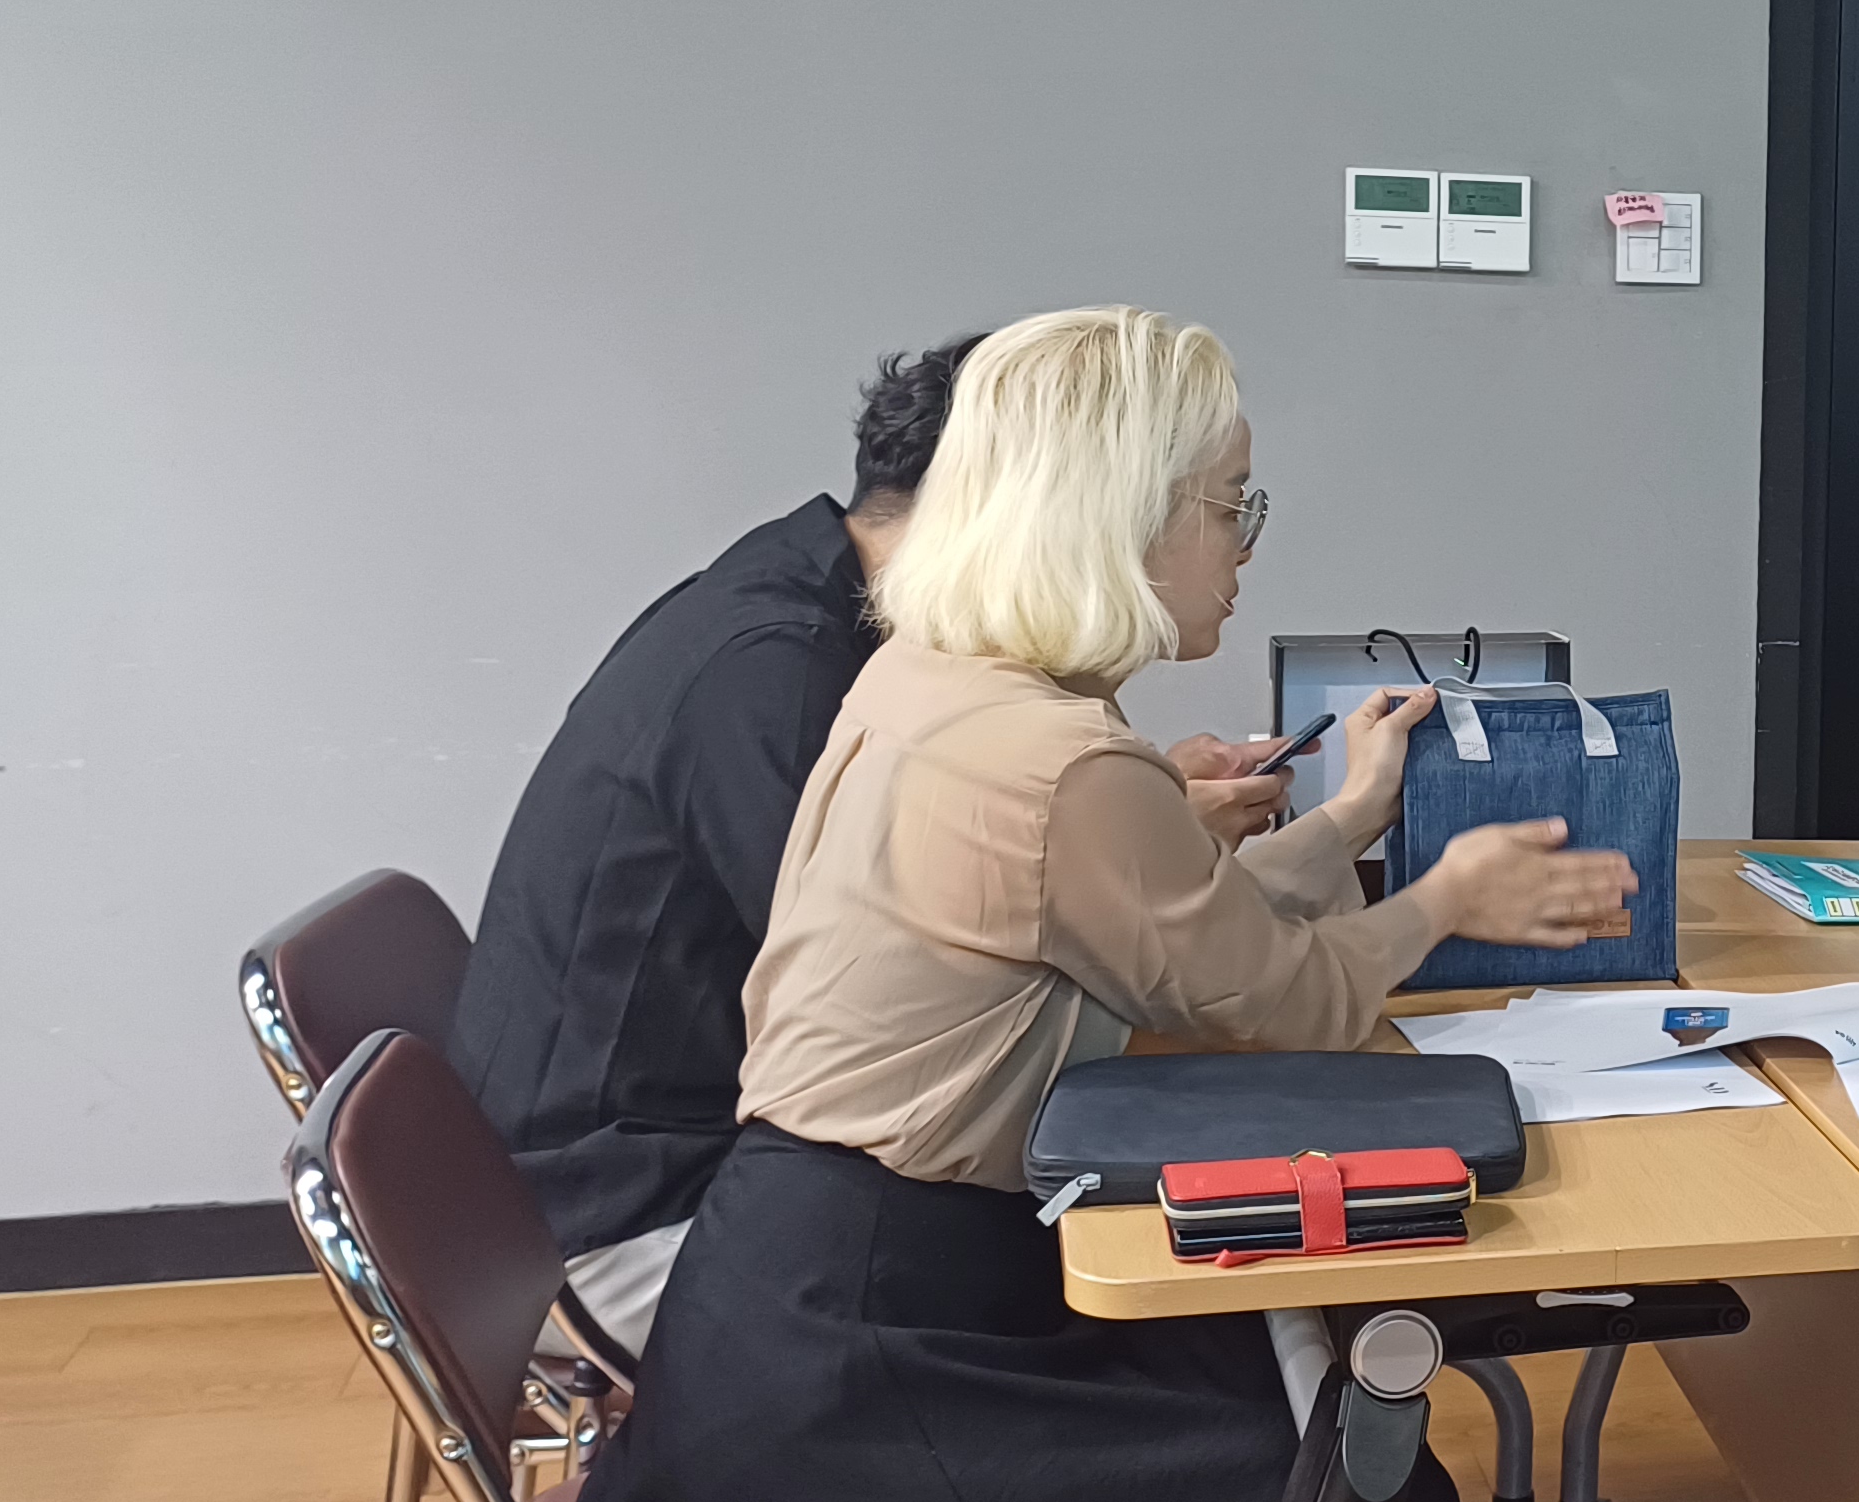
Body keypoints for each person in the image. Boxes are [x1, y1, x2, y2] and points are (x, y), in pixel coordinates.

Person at [571, 305, 1631, 1502]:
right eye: (1227, 506)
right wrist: (1446, 898)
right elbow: (1291, 1002)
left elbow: (1187, 939)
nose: (1244, 547)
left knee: (1315, 1442)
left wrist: (1347, 821)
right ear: (1121, 517)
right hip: (871, 1367)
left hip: (800, 1299)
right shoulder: (1065, 760)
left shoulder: (945, 684)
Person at [453, 337, 1302, 1353]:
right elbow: (916, 979)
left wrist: (1145, 816)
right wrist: (1144, 856)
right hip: (640, 1213)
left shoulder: (811, 600)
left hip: (667, 1155)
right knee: (1202, 1269)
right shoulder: (784, 673)